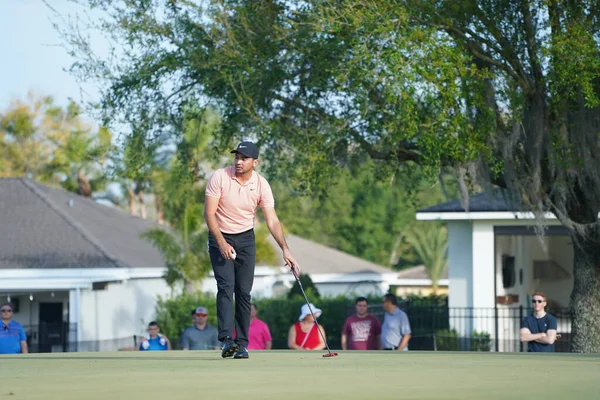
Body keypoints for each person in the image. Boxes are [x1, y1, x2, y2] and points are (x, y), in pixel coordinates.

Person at [204, 141, 299, 359]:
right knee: (226, 287)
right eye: (236, 157)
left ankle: (242, 344)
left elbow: (272, 220)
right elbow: (209, 214)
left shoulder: (262, 185)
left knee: (244, 292)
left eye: (244, 158)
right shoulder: (219, 177)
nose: (238, 161)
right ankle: (227, 340)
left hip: (246, 239)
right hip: (220, 235)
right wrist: (221, 243)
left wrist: (285, 249)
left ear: (255, 162)